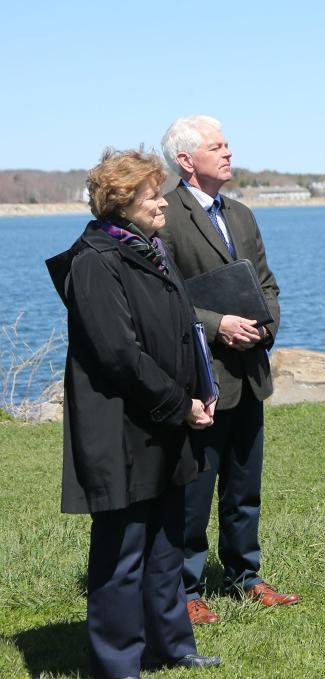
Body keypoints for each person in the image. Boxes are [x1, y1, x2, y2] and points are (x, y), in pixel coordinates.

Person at [46, 149, 221, 678]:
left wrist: (202, 389)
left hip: (165, 424)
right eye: (151, 194)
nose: (162, 202)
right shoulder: (95, 261)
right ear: (121, 202)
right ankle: (116, 664)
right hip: (123, 430)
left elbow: (180, 326)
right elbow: (119, 355)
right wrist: (177, 403)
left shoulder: (149, 248)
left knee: (167, 544)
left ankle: (169, 644)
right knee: (121, 556)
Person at [158, 115, 298, 625]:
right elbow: (162, 299)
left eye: (227, 144)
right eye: (217, 147)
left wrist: (264, 327)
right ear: (186, 160)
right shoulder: (164, 215)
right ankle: (185, 587)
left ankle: (246, 576)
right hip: (201, 377)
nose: (228, 153)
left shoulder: (240, 214)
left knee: (244, 488)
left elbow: (268, 285)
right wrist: (219, 326)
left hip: (250, 371)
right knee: (194, 491)